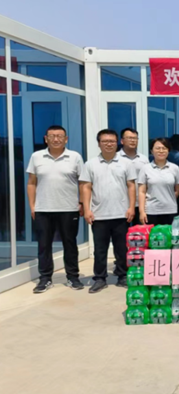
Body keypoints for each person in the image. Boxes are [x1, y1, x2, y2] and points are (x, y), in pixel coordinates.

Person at [27, 125, 85, 293]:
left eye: (60, 136)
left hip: (69, 208)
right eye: (52, 136)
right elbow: (31, 183)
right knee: (44, 245)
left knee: (70, 243)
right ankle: (45, 278)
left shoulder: (75, 157)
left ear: (66, 139)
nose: (56, 139)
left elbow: (83, 183)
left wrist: (82, 203)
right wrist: (32, 206)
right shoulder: (37, 156)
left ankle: (73, 277)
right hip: (43, 208)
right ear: (46, 139)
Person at [79, 129, 136, 293]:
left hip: (121, 213)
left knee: (122, 248)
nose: (109, 144)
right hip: (99, 214)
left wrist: (131, 207)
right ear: (99, 144)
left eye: (111, 141)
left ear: (117, 143)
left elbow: (131, 186)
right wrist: (87, 209)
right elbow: (86, 187)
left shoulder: (126, 163)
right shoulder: (90, 164)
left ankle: (122, 276)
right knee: (100, 249)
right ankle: (99, 278)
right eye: (105, 141)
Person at [138, 138, 179, 226]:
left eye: (164, 148)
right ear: (151, 151)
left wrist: (167, 199)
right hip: (151, 211)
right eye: (158, 148)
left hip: (170, 210)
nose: (161, 151)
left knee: (169, 234)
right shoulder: (145, 168)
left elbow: (178, 189)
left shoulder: (175, 168)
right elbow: (141, 192)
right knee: (152, 235)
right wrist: (142, 211)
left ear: (168, 151)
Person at [117, 128, 149, 225]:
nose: (133, 140)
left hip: (141, 203)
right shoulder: (116, 158)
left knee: (140, 232)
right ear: (122, 141)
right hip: (122, 203)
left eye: (135, 138)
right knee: (122, 232)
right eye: (129, 138)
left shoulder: (143, 159)